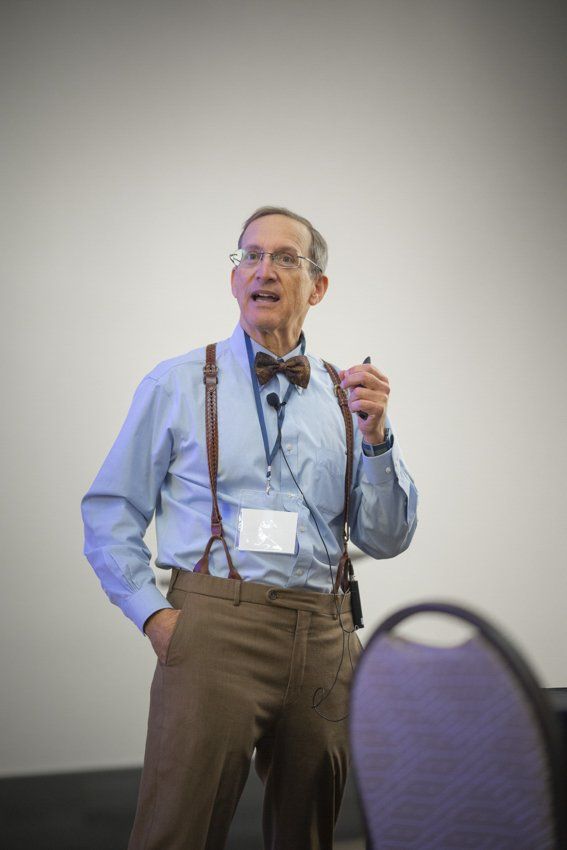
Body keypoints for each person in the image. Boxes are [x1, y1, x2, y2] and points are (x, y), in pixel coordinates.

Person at [81, 205, 418, 850]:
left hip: (325, 634)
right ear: (234, 278)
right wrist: (156, 616)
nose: (265, 270)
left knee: (309, 834)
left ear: (318, 287)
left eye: (286, 258)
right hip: (214, 630)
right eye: (251, 256)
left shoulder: (348, 397)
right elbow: (110, 512)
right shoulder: (177, 383)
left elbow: (386, 537)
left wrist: (378, 438)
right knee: (177, 829)